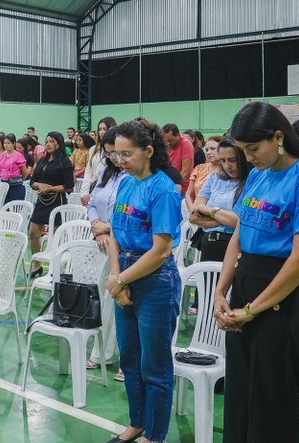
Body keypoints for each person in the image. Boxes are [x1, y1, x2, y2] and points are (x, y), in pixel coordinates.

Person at [214, 102, 299, 443]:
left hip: (282, 296)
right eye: (243, 150)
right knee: (240, 396)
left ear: (278, 137)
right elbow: (239, 234)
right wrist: (221, 292)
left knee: (272, 401)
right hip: (244, 287)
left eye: (253, 149)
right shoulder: (260, 176)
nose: (248, 158)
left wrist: (252, 310)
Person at [105, 118, 182, 443]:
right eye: (116, 155)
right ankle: (137, 423)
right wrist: (115, 277)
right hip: (123, 272)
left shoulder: (163, 189)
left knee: (155, 366)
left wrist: (121, 279)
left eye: (126, 154)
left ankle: (155, 435)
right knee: (131, 360)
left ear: (149, 151)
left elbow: (161, 250)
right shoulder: (126, 182)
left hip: (154, 281)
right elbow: (113, 233)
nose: (120, 161)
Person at [85, 127, 127, 379]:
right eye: (109, 153)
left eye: (118, 153)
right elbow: (92, 204)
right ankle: (100, 354)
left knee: (121, 301)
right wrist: (96, 229)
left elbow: (132, 215)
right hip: (101, 245)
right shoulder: (106, 174)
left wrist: (109, 228)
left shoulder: (134, 177)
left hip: (123, 245)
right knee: (101, 301)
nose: (114, 159)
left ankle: (126, 359)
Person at [189, 138, 251, 262]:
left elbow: (239, 221)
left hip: (236, 245)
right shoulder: (214, 179)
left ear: (243, 158)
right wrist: (222, 220)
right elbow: (194, 216)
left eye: (232, 160)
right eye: (223, 160)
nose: (228, 166)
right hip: (209, 243)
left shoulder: (251, 182)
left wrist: (209, 211)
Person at [28, 132, 75, 278]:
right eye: (46, 141)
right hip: (41, 201)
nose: (47, 144)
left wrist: (49, 188)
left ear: (58, 144)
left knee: (56, 236)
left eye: (51, 141)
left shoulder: (65, 162)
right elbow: (32, 182)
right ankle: (36, 264)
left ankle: (57, 267)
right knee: (33, 232)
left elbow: (69, 186)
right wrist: (40, 185)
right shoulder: (42, 161)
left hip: (57, 201)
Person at [82, 117, 118, 205]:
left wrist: (92, 195)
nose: (101, 132)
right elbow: (88, 172)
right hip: (91, 189)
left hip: (106, 191)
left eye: (104, 129)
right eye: (99, 129)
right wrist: (84, 193)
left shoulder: (116, 150)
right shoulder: (93, 149)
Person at [184, 135, 223, 208]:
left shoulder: (228, 171)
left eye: (213, 149)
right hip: (197, 211)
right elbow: (188, 195)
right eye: (207, 150)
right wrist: (193, 210)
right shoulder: (199, 168)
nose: (209, 152)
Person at [162, 123, 194, 194]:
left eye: (170, 140)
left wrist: (174, 188)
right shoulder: (166, 146)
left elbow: (185, 172)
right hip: (170, 186)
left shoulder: (186, 144)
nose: (168, 143)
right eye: (166, 141)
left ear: (178, 135)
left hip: (183, 189)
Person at [0, 133, 29, 202]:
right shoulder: (2, 155)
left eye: (8, 143)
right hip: (3, 184)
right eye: (4, 143)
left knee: (14, 207)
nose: (6, 145)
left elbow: (25, 172)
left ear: (13, 144)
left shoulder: (18, 156)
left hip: (15, 185)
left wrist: (21, 180)